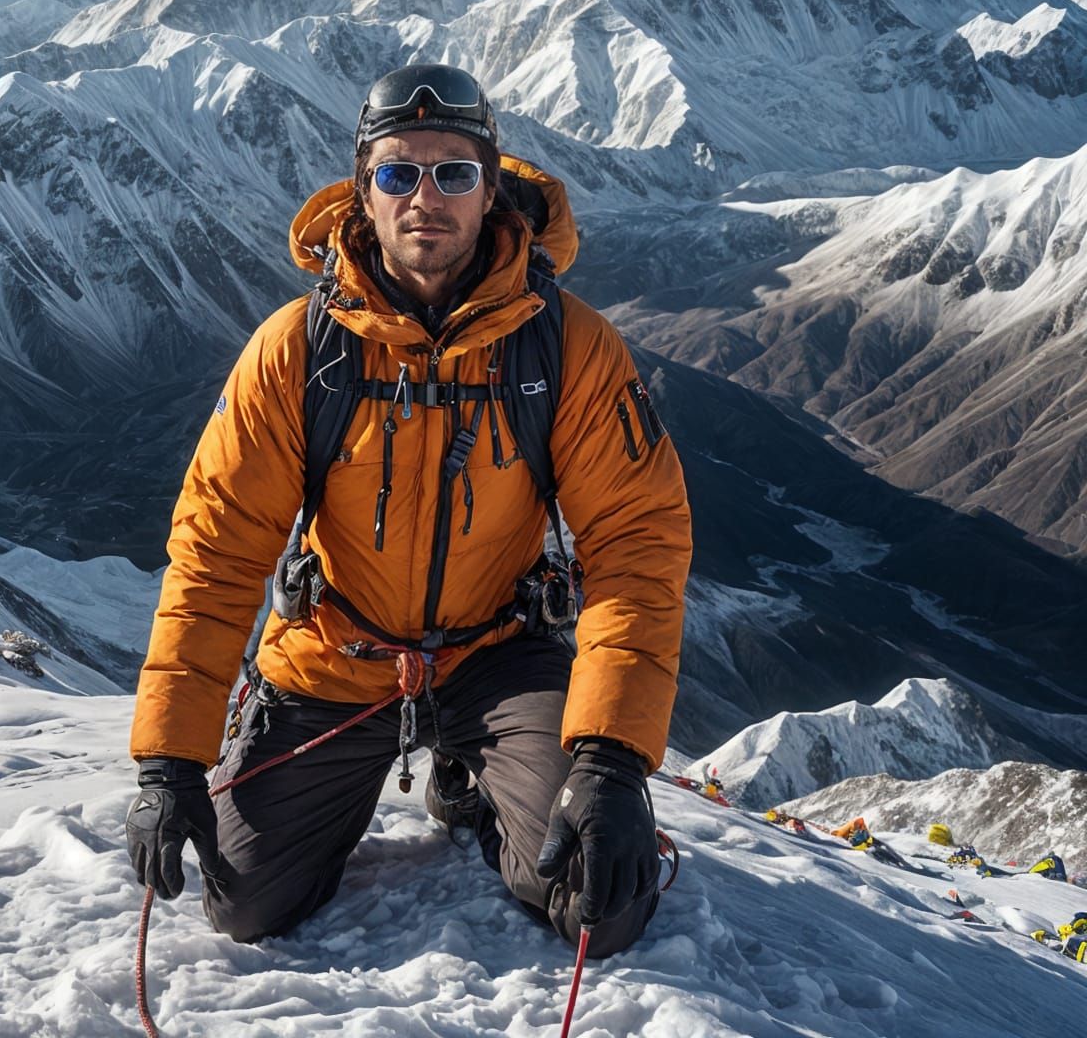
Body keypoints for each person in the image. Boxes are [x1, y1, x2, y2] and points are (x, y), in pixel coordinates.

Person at [127, 63, 691, 957]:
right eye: (398, 173)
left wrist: (612, 761)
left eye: (453, 173)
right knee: (242, 903)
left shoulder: (567, 344)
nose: (425, 197)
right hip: (336, 660)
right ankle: (460, 772)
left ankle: (475, 780)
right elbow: (218, 550)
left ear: (493, 187)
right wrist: (171, 760)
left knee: (598, 903)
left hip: (500, 656)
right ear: (362, 190)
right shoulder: (296, 351)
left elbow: (636, 541)